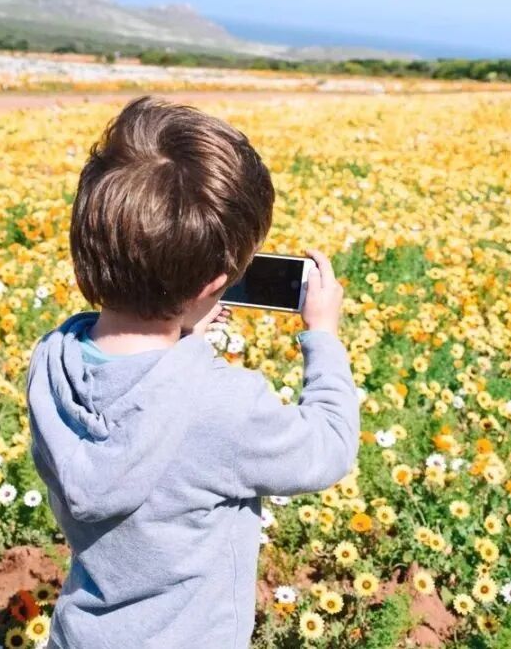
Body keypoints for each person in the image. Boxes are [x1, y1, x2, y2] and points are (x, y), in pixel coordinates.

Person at [26, 96, 360, 648]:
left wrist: (183, 333)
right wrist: (322, 337)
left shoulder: (53, 359)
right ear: (214, 284)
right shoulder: (220, 405)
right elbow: (328, 448)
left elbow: (130, 391)